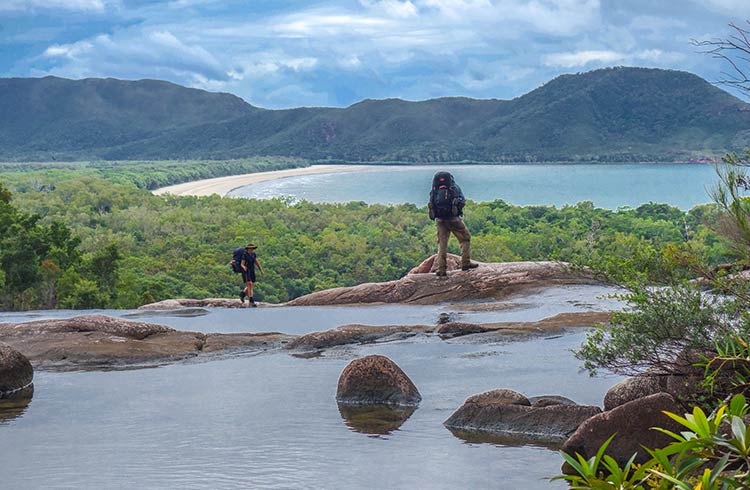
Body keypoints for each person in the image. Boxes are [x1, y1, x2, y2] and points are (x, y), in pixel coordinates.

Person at [428, 171, 478, 277]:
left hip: (440, 220)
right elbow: (462, 201)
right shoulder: (454, 188)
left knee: (442, 244)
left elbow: (431, 203)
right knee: (465, 239)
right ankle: (465, 263)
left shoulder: (435, 190)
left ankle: (441, 269)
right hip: (453, 219)